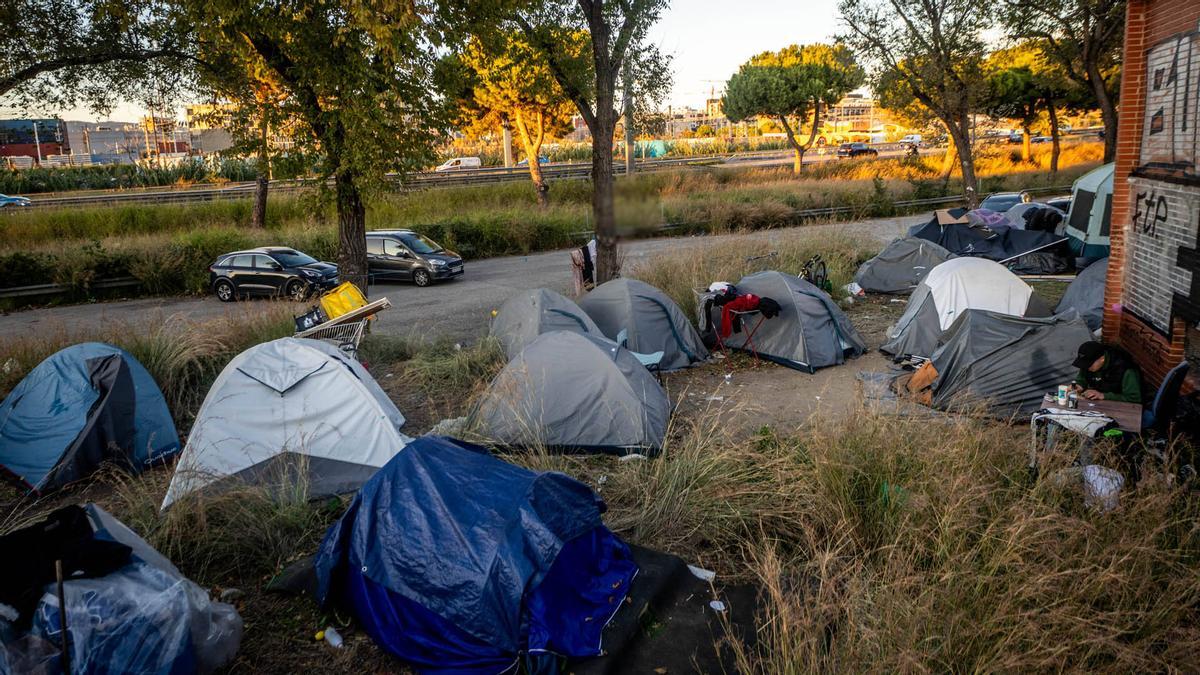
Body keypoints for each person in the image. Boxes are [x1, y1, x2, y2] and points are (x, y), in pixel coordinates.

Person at [1070, 341, 1143, 404]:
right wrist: (1079, 386)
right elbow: (1081, 379)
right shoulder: (1090, 365)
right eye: (1084, 364)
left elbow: (1134, 399)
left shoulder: (1127, 370)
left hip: (1118, 409)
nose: (1086, 367)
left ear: (1102, 359)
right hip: (1095, 404)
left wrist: (1103, 395)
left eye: (1089, 364)